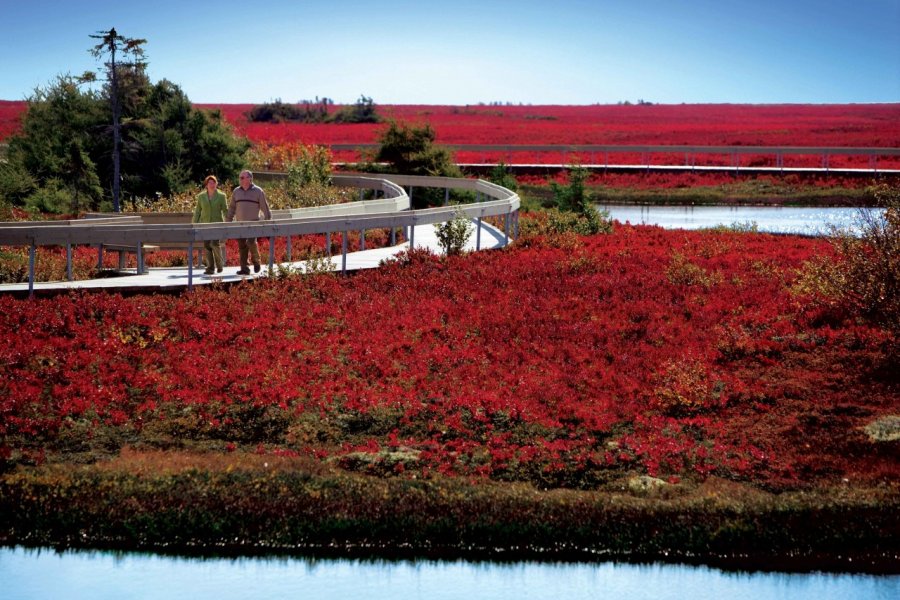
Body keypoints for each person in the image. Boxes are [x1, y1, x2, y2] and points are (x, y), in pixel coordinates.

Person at [227, 169, 271, 275]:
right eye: (240, 178)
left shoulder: (258, 191)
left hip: (253, 224)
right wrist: (227, 221)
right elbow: (232, 208)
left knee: (250, 242)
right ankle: (244, 268)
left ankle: (256, 261)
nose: (240, 180)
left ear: (249, 179)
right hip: (240, 224)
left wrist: (268, 221)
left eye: (242, 177)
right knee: (242, 246)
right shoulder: (236, 191)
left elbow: (265, 207)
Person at [193, 175, 228, 274]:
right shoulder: (201, 196)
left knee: (214, 244)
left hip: (217, 224)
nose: (212, 185)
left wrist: (228, 222)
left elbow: (225, 210)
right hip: (205, 224)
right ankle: (210, 267)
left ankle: (219, 264)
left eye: (214, 183)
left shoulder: (222, 196)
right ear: (206, 185)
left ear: (216, 184)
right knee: (207, 245)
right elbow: (198, 211)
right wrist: (194, 224)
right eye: (210, 183)